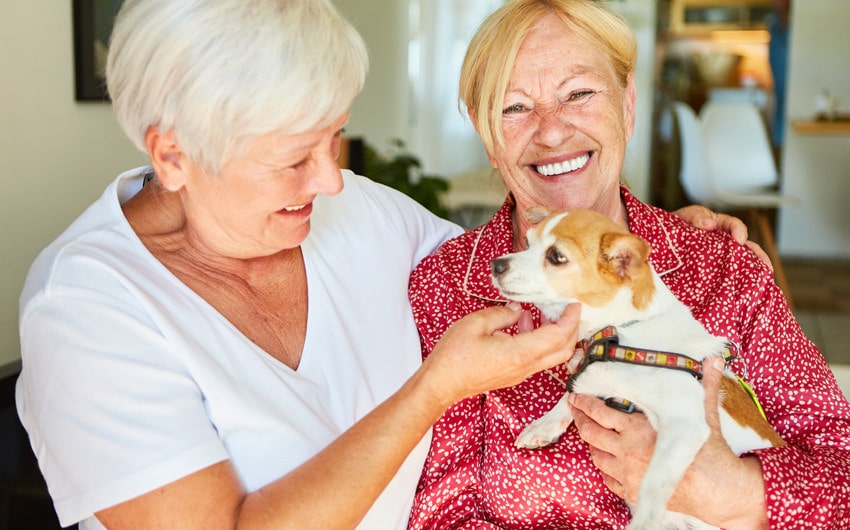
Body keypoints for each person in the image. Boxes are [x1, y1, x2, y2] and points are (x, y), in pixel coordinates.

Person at [15, 0, 763, 529]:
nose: (332, 178)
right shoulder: (85, 308)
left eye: (334, 137)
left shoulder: (354, 213)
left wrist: (651, 240)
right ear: (172, 155)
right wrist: (434, 389)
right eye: (293, 158)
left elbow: (516, 256)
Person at [407, 1, 850, 529]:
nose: (551, 132)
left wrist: (731, 491)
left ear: (628, 103)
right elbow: (442, 513)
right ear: (486, 136)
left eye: (579, 93)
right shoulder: (445, 289)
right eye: (514, 107)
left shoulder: (725, 270)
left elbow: (838, 463)